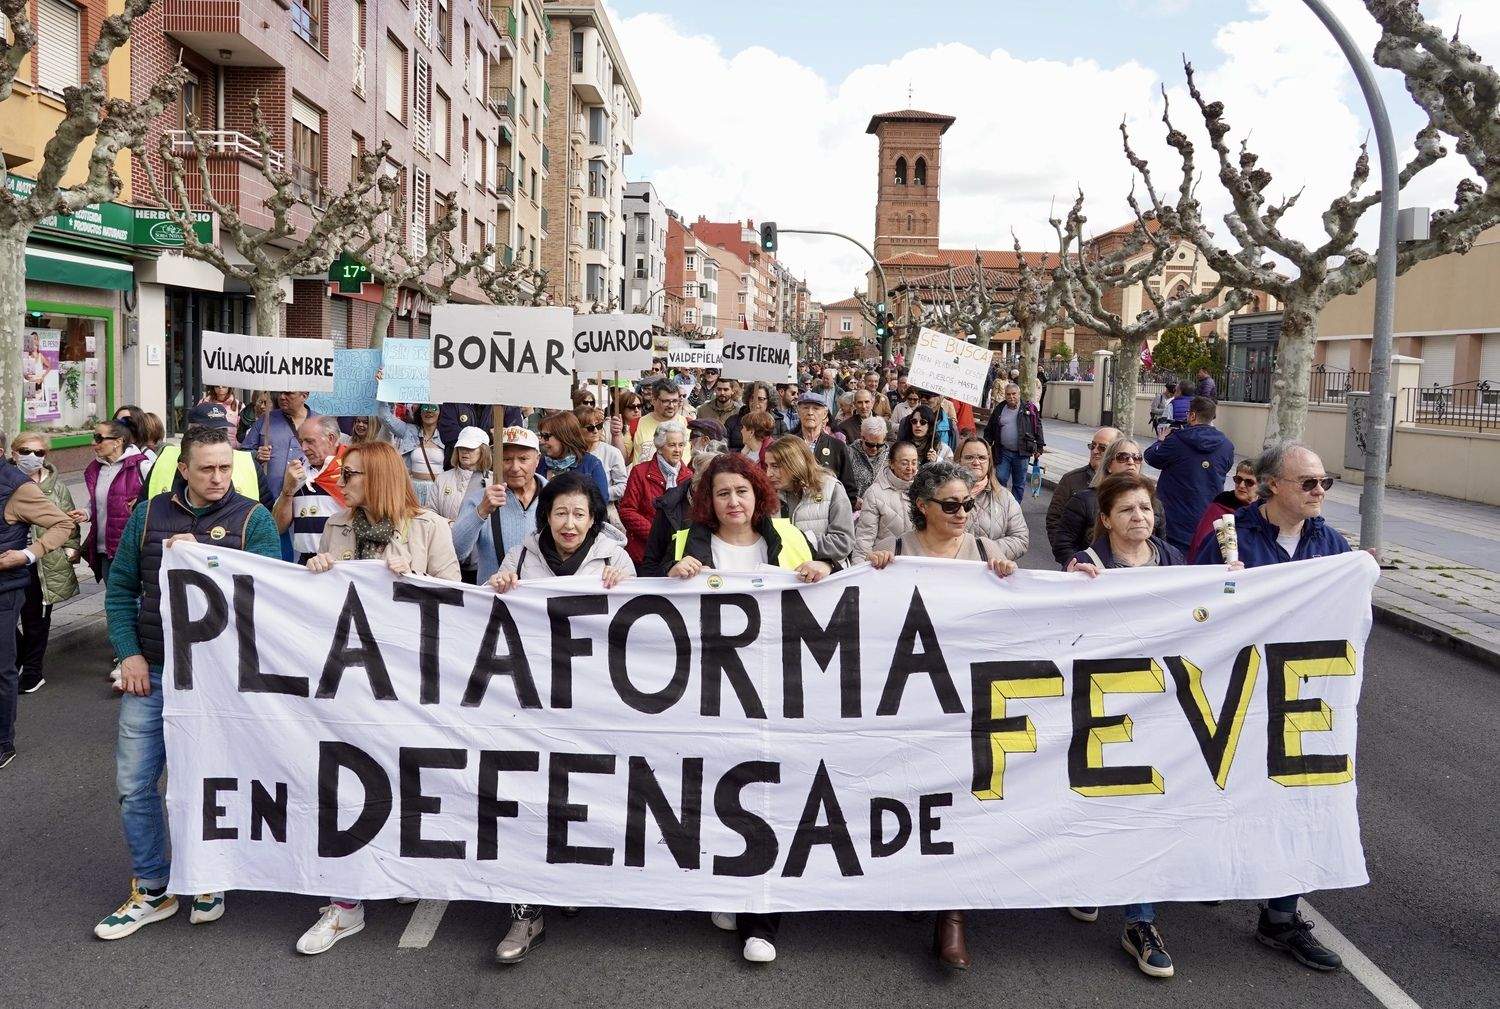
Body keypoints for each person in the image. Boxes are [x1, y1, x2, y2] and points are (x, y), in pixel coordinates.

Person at [94, 426, 280, 936]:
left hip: (216, 679)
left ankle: (207, 874)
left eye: (226, 467)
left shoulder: (253, 519)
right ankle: (152, 887)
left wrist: (206, 556)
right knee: (135, 785)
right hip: (153, 671)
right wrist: (128, 654)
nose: (218, 478)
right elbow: (121, 589)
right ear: (183, 470)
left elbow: (269, 592)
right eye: (207, 468)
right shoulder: (149, 515)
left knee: (205, 780)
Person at [296, 440, 460, 956]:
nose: (341, 485)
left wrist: (416, 581)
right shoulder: (338, 526)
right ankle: (345, 905)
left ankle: (402, 871)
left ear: (382, 476)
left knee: (410, 781)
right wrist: (318, 574)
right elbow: (322, 609)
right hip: (351, 684)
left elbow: (457, 605)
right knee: (345, 785)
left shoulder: (429, 527)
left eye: (352, 475)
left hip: (411, 683)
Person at [666, 453, 829, 965]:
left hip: (779, 691)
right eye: (721, 494)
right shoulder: (686, 541)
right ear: (707, 503)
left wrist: (823, 568)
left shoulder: (788, 538)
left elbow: (837, 584)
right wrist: (675, 572)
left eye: (741, 491)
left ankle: (764, 917)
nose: (733, 501)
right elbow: (645, 591)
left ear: (758, 494)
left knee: (770, 795)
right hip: (709, 695)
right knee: (719, 793)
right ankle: (729, 892)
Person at [1195, 441, 1347, 972]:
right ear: (1272, 485)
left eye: (1325, 483)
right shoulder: (1230, 535)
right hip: (1234, 694)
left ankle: (1281, 917)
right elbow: (1191, 608)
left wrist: (1359, 577)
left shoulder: (1331, 544)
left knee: (1297, 800)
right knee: (1225, 789)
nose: (1319, 492)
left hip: (1298, 699)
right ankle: (1206, 873)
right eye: (1309, 483)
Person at [863, 459, 1018, 972]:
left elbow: (1017, 615)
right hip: (909, 697)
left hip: (967, 700)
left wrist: (1009, 578)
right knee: (912, 793)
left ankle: (952, 917)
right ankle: (912, 885)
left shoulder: (984, 551)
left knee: (960, 798)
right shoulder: (897, 551)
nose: (961, 512)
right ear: (922, 506)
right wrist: (870, 571)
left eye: (968, 504)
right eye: (950, 505)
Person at [483, 471, 633, 962]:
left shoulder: (614, 557)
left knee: (580, 796)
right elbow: (486, 611)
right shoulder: (522, 555)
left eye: (579, 514)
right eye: (560, 512)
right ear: (546, 515)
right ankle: (525, 913)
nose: (570, 524)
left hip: (592, 706)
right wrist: (500, 584)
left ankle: (570, 880)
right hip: (528, 704)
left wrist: (624, 586)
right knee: (527, 799)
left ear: (593, 519)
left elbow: (643, 628)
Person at [11, 432, 80, 696]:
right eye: (26, 451)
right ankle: (17, 658)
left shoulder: (56, 487)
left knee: (36, 620)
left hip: (44, 563)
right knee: (8, 617)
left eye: (39, 453)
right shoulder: (7, 483)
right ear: (14, 453)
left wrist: (71, 549)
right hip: (10, 559)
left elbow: (68, 521)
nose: (33, 457)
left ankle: (32, 672)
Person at [453, 427, 548, 585]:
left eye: (523, 459)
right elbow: (456, 552)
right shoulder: (478, 499)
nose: (515, 467)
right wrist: (481, 512)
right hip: (493, 601)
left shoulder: (555, 497)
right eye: (506, 459)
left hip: (539, 602)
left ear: (537, 459)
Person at [1144, 396, 1236, 552]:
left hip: (1174, 519)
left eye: (1188, 413)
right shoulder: (1227, 446)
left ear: (1192, 415)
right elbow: (1225, 468)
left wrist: (1160, 441)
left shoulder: (1176, 441)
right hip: (1208, 519)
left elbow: (1151, 457)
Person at [1053, 437, 1163, 566]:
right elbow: (1063, 545)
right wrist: (1081, 566)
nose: (1131, 462)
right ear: (1109, 465)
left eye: (1137, 457)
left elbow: (1161, 543)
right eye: (1123, 457)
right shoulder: (1083, 501)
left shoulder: (1155, 503)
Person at [142, 402, 268, 505]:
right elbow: (144, 513)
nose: (215, 438)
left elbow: (267, 516)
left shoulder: (248, 464)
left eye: (222, 431)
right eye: (206, 432)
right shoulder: (165, 458)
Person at [764, 436, 855, 568]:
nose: (769, 474)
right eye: (767, 466)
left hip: (825, 579)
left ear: (795, 463)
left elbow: (843, 542)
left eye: (775, 466)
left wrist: (800, 541)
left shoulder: (831, 488)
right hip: (786, 579)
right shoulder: (770, 495)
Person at [1067, 473, 1185, 573]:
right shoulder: (1082, 565)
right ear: (1106, 520)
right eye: (1127, 510)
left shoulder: (1173, 558)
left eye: (1145, 508)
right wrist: (1072, 584)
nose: (1139, 517)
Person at [271, 415, 347, 565]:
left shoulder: (353, 469)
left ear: (331, 438)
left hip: (342, 562)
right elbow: (277, 527)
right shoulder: (297, 471)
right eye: (301, 441)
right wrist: (288, 491)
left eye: (310, 441)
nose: (303, 448)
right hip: (306, 562)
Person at [84, 419, 149, 591]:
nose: (93, 443)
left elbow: (159, 499)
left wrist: (142, 502)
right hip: (104, 549)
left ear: (118, 442)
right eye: (93, 437)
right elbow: (99, 500)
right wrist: (86, 512)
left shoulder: (142, 466)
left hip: (131, 549)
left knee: (133, 600)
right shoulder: (96, 468)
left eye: (99, 438)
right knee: (113, 598)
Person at [640, 447, 720, 577]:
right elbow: (649, 568)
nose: (730, 501)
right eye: (720, 492)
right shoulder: (669, 507)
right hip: (678, 592)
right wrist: (671, 571)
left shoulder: (734, 512)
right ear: (697, 485)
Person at [619, 420, 690, 566]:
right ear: (659, 446)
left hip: (677, 555)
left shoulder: (689, 476)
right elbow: (627, 511)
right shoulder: (640, 472)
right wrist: (655, 534)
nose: (677, 450)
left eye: (681, 445)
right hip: (644, 552)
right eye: (672, 445)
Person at [1045, 426, 1121, 562]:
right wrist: (1070, 559)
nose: (1095, 451)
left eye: (1102, 448)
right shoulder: (1071, 480)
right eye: (1092, 446)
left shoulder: (1133, 487)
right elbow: (1054, 520)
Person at [433, 427, 491, 581]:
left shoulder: (493, 482)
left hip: (481, 561)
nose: (465, 452)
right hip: (447, 556)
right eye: (462, 448)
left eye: (471, 448)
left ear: (483, 451)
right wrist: (449, 525)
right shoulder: (442, 479)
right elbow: (431, 514)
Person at [957, 437, 1028, 560]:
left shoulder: (1005, 497)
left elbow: (1020, 539)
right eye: (969, 457)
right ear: (958, 460)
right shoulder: (942, 494)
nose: (976, 462)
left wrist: (982, 550)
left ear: (989, 462)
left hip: (989, 572)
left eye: (982, 458)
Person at [853, 439, 919, 563]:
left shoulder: (924, 490)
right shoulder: (875, 493)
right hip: (885, 563)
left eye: (914, 463)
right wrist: (858, 568)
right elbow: (865, 537)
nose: (910, 468)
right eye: (904, 463)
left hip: (916, 564)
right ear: (892, 464)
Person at [242, 390, 315, 495]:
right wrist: (256, 455)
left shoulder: (319, 422)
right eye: (280, 393)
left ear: (304, 395)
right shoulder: (265, 420)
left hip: (308, 497)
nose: (282, 397)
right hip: (270, 497)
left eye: (288, 393)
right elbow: (243, 453)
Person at [983, 382, 1045, 502]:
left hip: (1022, 453)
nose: (1011, 397)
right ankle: (1001, 503)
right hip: (1003, 451)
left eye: (1014, 394)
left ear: (1019, 394)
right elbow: (990, 428)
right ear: (1005, 396)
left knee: (1019, 482)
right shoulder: (1000, 408)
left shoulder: (1028, 408)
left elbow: (1038, 427)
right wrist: (986, 444)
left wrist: (1040, 447)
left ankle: (1014, 508)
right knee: (1000, 477)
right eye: (1008, 394)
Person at [377, 401, 445, 508]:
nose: (429, 411)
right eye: (425, 408)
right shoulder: (409, 430)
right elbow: (385, 417)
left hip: (437, 491)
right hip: (412, 489)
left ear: (440, 412)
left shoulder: (447, 435)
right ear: (420, 412)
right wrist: (385, 393)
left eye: (434, 408)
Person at [796, 392, 860, 503]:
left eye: (816, 408)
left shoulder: (837, 446)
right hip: (794, 510)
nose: (810, 412)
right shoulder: (787, 444)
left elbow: (848, 489)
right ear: (798, 411)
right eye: (805, 408)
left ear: (825, 414)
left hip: (826, 511)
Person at [1187, 458, 1256, 562]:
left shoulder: (1264, 511)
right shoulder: (1221, 504)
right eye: (1238, 479)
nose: (1241, 485)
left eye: (1249, 482)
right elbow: (1201, 542)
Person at [538, 410, 610, 503]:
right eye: (541, 435)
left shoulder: (591, 464)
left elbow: (600, 504)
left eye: (546, 436)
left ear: (564, 437)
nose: (542, 441)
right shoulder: (540, 464)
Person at [633, 379, 685, 464]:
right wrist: (617, 436)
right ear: (653, 400)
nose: (671, 406)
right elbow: (624, 458)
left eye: (675, 401)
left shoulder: (688, 423)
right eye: (666, 401)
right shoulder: (637, 424)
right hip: (645, 476)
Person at [844, 416, 889, 504]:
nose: (875, 449)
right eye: (870, 444)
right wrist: (852, 499)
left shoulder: (889, 456)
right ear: (862, 437)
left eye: (879, 445)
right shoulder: (849, 454)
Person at [726, 381, 779, 452]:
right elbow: (724, 447)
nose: (755, 403)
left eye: (761, 399)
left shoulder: (779, 423)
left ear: (769, 401)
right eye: (752, 398)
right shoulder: (733, 421)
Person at [610, 389, 645, 465]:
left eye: (639, 406)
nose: (636, 410)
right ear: (622, 408)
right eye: (631, 407)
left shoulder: (645, 425)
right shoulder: (611, 425)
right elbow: (620, 459)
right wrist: (617, 435)